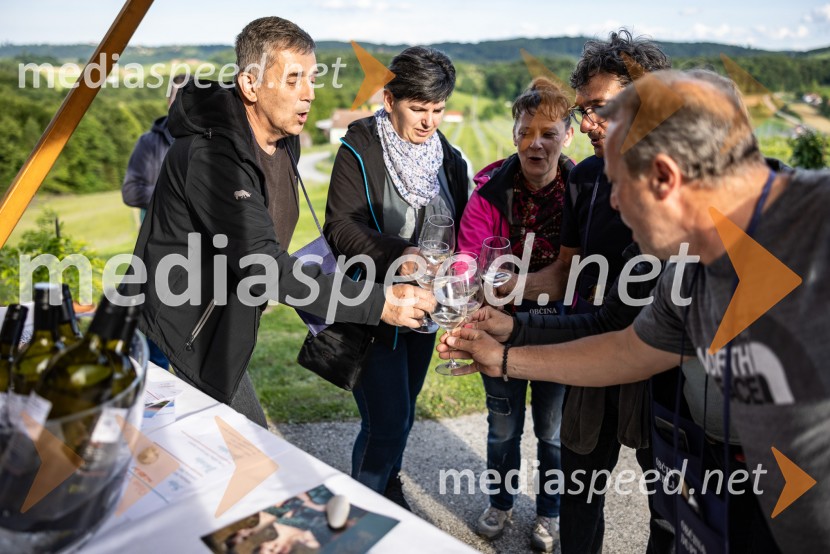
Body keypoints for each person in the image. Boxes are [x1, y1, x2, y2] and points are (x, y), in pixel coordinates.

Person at [440, 70, 830, 552]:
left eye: (619, 184)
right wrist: (506, 346)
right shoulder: (680, 268)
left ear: (665, 176)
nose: (614, 204)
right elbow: (624, 346)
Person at [125, 17, 434, 428]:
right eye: (293, 80)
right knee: (226, 458)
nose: (309, 94)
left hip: (221, 327)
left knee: (238, 457)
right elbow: (262, 264)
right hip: (171, 335)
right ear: (250, 85)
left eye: (311, 78)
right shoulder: (212, 158)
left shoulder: (284, 142)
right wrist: (379, 303)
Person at [491, 30, 673, 554]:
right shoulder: (586, 177)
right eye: (585, 109)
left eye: (601, 109)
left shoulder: (678, 183)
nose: (588, 123)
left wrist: (511, 344)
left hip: (660, 372)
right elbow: (565, 276)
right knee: (578, 492)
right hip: (594, 349)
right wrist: (498, 290)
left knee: (668, 510)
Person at [323, 46, 469, 508]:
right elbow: (339, 226)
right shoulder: (360, 146)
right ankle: (362, 508)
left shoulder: (448, 158)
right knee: (385, 421)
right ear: (389, 100)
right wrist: (400, 253)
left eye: (438, 110)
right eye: (418, 108)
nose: (429, 122)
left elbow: (462, 227)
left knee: (402, 417)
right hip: (373, 306)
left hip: (424, 310)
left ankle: (388, 488)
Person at [454, 76, 574, 551]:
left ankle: (550, 513)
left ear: (567, 135)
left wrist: (511, 285)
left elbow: (583, 273)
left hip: (562, 331)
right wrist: (470, 283)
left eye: (548, 133)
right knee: (502, 426)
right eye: (527, 132)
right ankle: (501, 503)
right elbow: (467, 258)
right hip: (498, 330)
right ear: (514, 135)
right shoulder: (488, 190)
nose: (536, 143)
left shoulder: (582, 191)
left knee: (553, 432)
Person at [122, 73, 188, 221]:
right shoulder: (148, 142)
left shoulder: (212, 141)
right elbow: (130, 192)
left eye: (189, 99)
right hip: (156, 232)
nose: (183, 105)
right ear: (168, 102)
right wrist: (177, 195)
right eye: (177, 99)